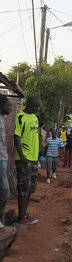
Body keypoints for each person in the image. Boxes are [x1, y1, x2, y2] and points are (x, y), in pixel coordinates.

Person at [14, 95, 42, 225]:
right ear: (29, 104)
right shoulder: (20, 117)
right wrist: (22, 157)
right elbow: (17, 137)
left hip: (34, 159)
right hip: (24, 159)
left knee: (31, 188)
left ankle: (24, 214)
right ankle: (21, 216)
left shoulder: (35, 118)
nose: (37, 109)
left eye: (38, 107)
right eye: (36, 106)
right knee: (23, 188)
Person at [0, 95, 12, 228]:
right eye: (8, 104)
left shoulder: (2, 119)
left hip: (3, 159)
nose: (10, 107)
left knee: (3, 189)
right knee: (4, 190)